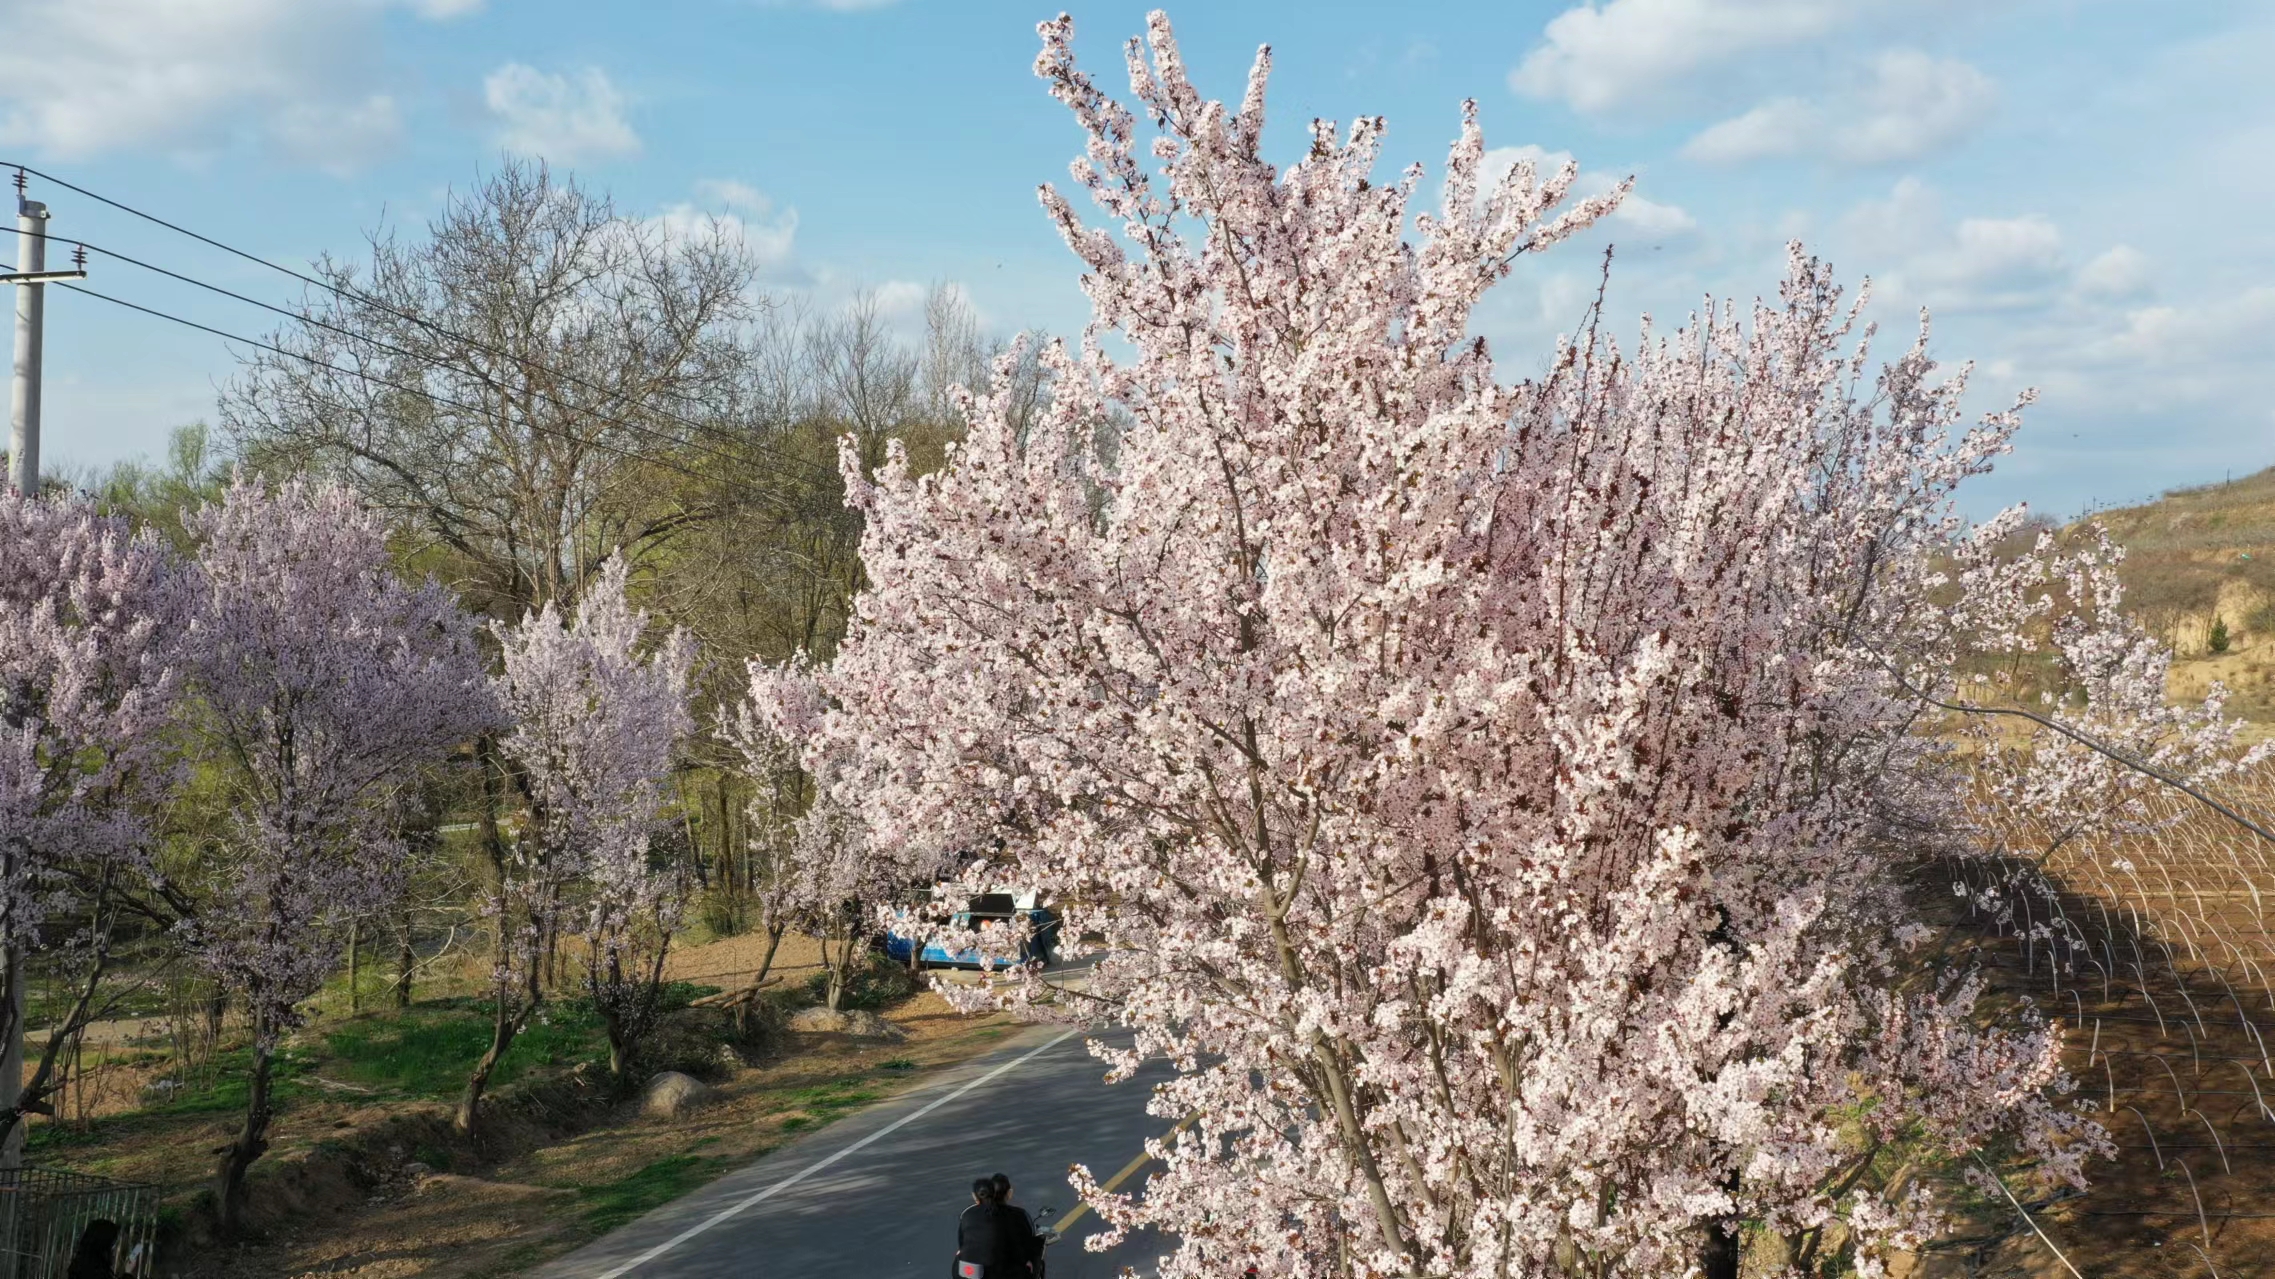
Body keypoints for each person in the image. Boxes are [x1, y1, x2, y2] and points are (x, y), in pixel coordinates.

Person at [953, 1177, 1021, 1279]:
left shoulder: (967, 1214)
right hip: (998, 1272)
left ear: (974, 1196)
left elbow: (961, 1243)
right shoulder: (1008, 1214)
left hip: (969, 1272)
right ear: (994, 1194)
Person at [990, 1173, 1046, 1277]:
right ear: (1009, 1193)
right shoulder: (1019, 1214)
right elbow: (1029, 1239)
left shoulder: (976, 1215)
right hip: (1014, 1271)